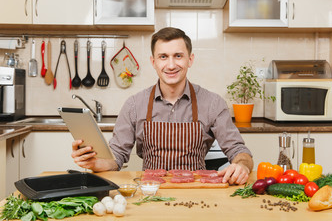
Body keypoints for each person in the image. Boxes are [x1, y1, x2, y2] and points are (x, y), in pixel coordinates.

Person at [71, 27, 253, 185]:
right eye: (163, 57)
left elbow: (239, 151)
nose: (171, 64)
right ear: (154, 62)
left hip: (197, 192)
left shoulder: (213, 103)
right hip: (150, 192)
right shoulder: (135, 104)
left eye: (178, 56)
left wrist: (242, 166)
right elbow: (117, 157)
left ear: (190, 60)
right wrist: (95, 163)